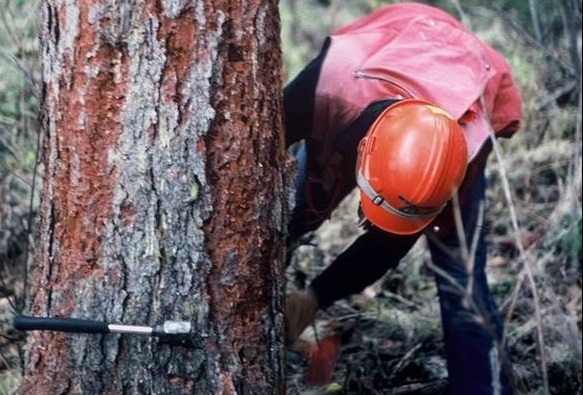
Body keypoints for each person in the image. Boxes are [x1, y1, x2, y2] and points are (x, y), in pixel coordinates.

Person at [283, 3, 522, 395]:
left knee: (460, 277)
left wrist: (316, 295)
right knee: (292, 205)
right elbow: (253, 155)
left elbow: (386, 245)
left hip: (466, 89)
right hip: (387, 53)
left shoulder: (452, 162)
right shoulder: (327, 86)